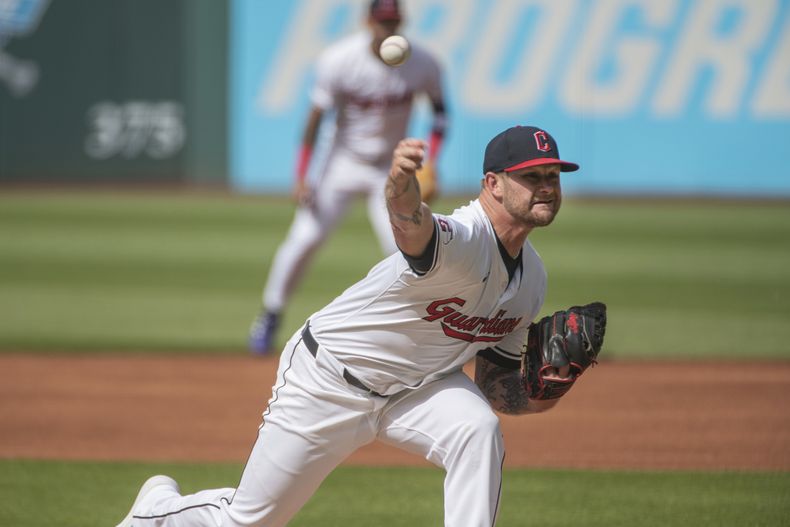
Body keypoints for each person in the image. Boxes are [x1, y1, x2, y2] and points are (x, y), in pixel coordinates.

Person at [115, 125, 593, 527]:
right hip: (329, 381)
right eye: (531, 176)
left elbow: (495, 387)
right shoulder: (463, 239)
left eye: (553, 175)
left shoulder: (533, 280)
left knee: (477, 430)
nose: (547, 186)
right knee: (249, 520)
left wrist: (546, 390)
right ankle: (156, 512)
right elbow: (411, 224)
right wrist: (398, 183)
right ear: (493, 183)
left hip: (415, 391)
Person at [249, 0, 448, 354]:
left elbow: (440, 114)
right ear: (368, 22)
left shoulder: (423, 63)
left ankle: (415, 334)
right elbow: (315, 119)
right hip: (340, 162)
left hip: (389, 167)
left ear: (402, 22)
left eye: (394, 21)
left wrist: (431, 161)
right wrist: (303, 175)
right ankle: (270, 315)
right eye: (382, 21)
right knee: (304, 238)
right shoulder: (340, 59)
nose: (388, 28)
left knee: (401, 248)